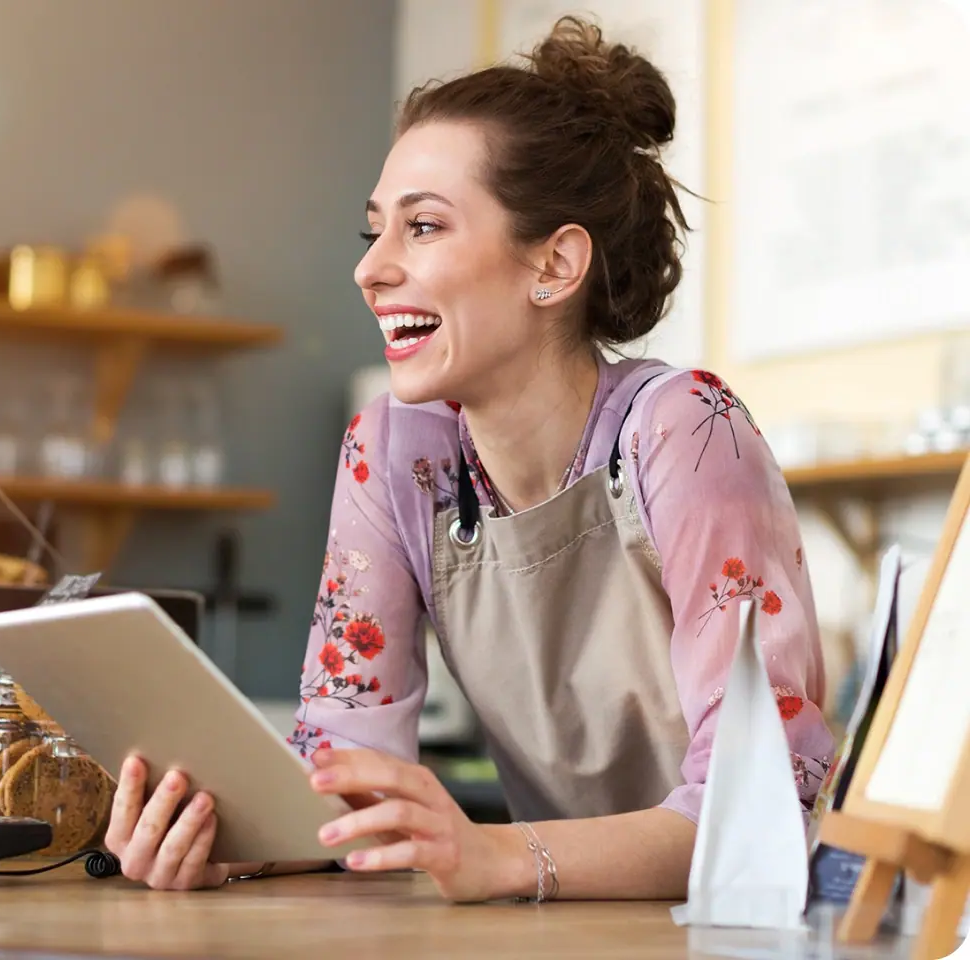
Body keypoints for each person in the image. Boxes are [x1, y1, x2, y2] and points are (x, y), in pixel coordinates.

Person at [104, 15, 836, 901]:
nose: (370, 269)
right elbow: (349, 764)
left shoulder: (685, 430)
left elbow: (759, 802)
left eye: (423, 227)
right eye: (374, 230)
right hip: (560, 931)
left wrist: (500, 856)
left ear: (555, 264)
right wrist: (241, 840)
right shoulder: (395, 451)